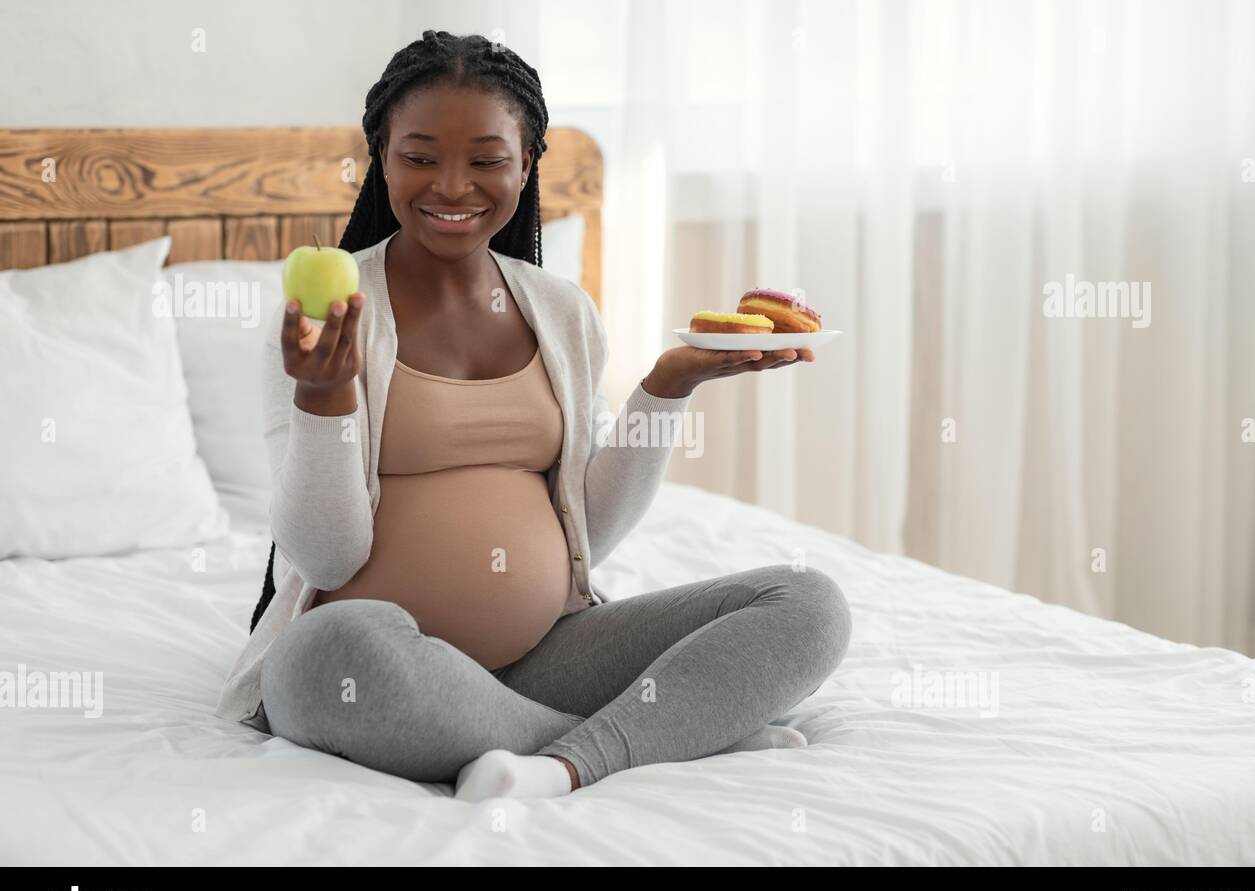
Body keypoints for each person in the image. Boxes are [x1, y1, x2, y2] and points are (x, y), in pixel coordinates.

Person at [225, 29, 852, 800]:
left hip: (548, 651)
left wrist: (665, 389)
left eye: (487, 159)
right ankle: (655, 740)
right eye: (420, 157)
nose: (452, 187)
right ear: (381, 157)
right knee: (326, 656)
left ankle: (550, 761)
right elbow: (326, 561)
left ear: (527, 165)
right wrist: (323, 399)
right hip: (378, 656)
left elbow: (588, 533)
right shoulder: (327, 313)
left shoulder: (560, 311)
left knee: (807, 602)